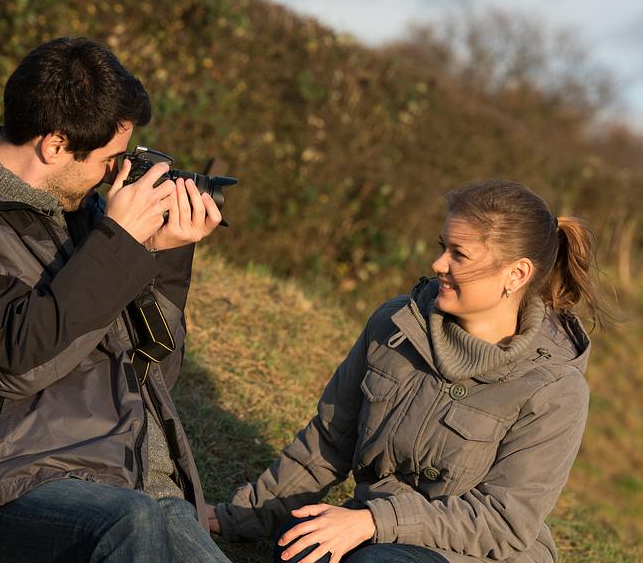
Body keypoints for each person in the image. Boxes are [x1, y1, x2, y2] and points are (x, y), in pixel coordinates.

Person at [0, 37, 232, 562]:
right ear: (54, 146)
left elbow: (157, 368)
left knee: (145, 517)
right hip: (14, 480)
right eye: (111, 160)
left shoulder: (86, 209)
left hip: (142, 482)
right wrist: (120, 246)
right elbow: (21, 358)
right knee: (130, 523)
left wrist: (162, 253)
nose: (117, 174)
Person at [210, 180, 605, 563]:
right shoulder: (394, 325)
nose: (437, 264)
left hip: (476, 554)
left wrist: (372, 522)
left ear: (516, 274)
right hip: (376, 537)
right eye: (441, 247)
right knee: (298, 548)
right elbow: (329, 441)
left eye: (459, 254)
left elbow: (503, 522)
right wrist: (236, 517)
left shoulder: (555, 388)